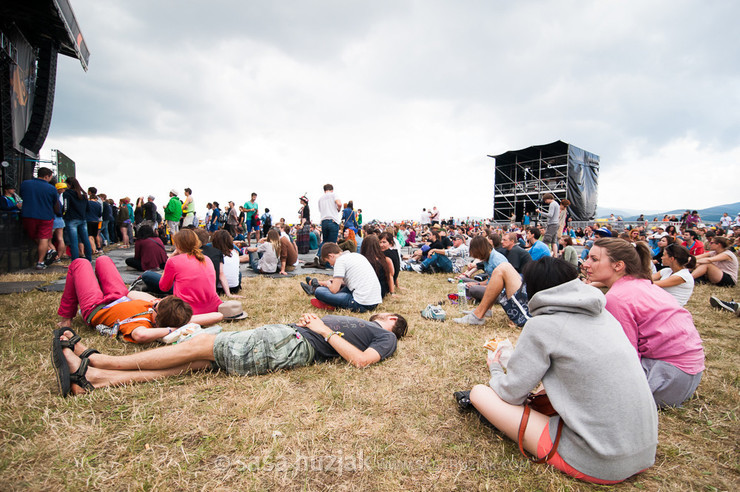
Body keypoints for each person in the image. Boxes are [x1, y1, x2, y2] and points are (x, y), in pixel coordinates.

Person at [464, 257, 657, 484]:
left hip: (599, 461)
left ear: (532, 290)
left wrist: (495, 370)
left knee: (478, 393)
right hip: (644, 450)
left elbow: (510, 394)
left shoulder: (541, 326)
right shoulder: (606, 317)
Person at [52, 311, 407, 396]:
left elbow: (360, 362)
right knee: (194, 362)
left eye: (388, 315)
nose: (381, 315)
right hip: (289, 341)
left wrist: (322, 329)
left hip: (291, 343)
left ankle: (98, 360)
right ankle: (95, 380)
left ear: (392, 322)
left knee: (201, 346)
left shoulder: (385, 336)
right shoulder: (366, 326)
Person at [583, 238, 705, 407]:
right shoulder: (643, 284)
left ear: (618, 265)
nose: (586, 264)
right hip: (688, 376)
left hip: (667, 379)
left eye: (594, 259)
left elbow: (625, 355)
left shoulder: (617, 297)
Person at [57, 255, 222, 344]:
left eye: (158, 303)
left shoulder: (141, 323)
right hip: (120, 296)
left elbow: (140, 335)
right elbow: (218, 316)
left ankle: (66, 317)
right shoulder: (168, 313)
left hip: (96, 308)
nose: (157, 301)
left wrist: (170, 331)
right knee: (103, 260)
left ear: (158, 314)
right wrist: (181, 324)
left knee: (80, 263)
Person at [141, 229, 222, 315]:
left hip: (186, 310)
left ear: (178, 245)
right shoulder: (206, 259)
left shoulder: (173, 261)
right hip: (213, 308)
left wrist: (170, 258)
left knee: (147, 276)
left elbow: (164, 287)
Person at [301, 242, 382, 312]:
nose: (331, 265)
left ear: (331, 256)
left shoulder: (340, 261)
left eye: (328, 262)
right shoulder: (356, 255)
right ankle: (314, 287)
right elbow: (352, 281)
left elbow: (334, 290)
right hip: (373, 302)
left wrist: (329, 284)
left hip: (360, 304)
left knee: (319, 291)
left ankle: (315, 289)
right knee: (341, 288)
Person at [19, 167, 59, 269]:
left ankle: (49, 251)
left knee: (34, 236)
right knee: (44, 238)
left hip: (28, 215)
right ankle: (40, 261)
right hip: (46, 216)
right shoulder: (51, 188)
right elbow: (56, 204)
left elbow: (22, 196)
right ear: (47, 176)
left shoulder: (25, 184)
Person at [63, 177, 93, 262]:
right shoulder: (83, 195)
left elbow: (65, 207)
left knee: (73, 242)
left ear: (69, 184)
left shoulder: (67, 194)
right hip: (82, 219)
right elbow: (88, 208)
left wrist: (63, 214)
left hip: (71, 219)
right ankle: (89, 259)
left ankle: (75, 261)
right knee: (85, 240)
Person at [315, 184, 342, 263]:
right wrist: (338, 209)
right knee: (332, 244)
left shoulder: (320, 199)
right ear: (332, 189)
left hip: (324, 221)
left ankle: (318, 255)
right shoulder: (334, 195)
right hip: (333, 220)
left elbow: (320, 210)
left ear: (324, 190)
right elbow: (339, 204)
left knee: (325, 242)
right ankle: (328, 264)